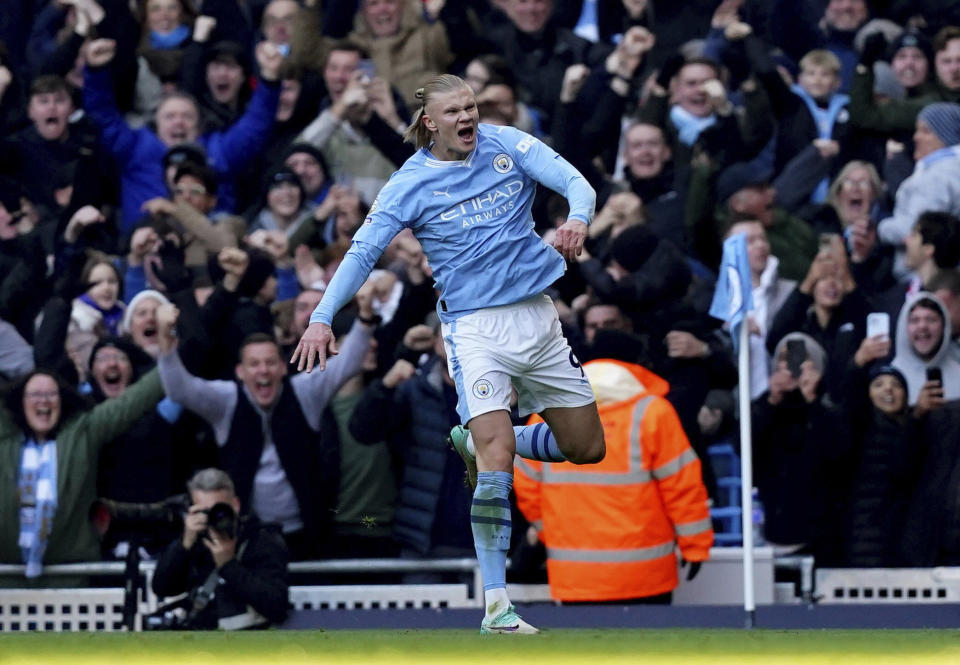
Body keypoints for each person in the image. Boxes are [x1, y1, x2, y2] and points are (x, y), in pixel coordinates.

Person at [292, 74, 605, 635]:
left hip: (538, 317)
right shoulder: (408, 184)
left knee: (586, 448)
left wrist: (577, 218)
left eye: (472, 107)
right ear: (430, 123)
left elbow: (576, 182)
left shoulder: (508, 144)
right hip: (474, 329)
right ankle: (497, 607)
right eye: (455, 111)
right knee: (496, 457)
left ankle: (480, 440)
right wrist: (321, 317)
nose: (468, 117)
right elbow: (363, 254)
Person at [514, 358, 713, 604]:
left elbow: (526, 490)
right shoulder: (653, 414)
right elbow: (683, 487)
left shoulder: (545, 418)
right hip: (646, 577)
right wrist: (695, 546)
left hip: (575, 577)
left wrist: (551, 535)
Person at [151, 468, 289, 630]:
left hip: (248, 645)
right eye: (205, 512)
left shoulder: (261, 540)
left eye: (220, 510)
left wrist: (229, 564)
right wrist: (184, 544)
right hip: (200, 643)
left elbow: (277, 608)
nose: (214, 518)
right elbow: (162, 587)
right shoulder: (195, 541)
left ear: (236, 505)